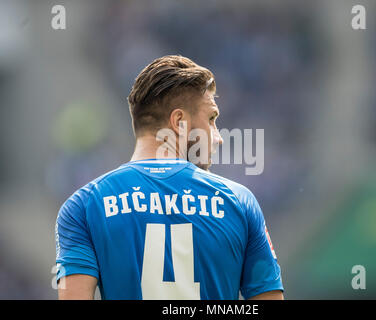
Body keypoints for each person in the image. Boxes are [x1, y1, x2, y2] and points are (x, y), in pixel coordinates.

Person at [55, 55, 284, 300]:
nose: (218, 137)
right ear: (179, 122)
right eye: (211, 119)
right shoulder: (239, 202)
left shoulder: (83, 206)